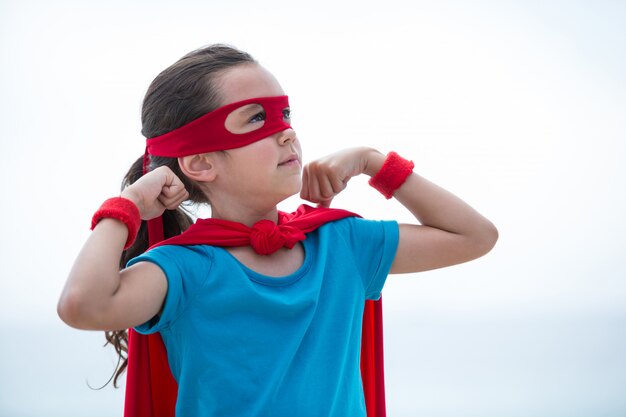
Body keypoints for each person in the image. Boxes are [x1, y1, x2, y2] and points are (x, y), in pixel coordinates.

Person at [57, 44, 498, 416]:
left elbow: (475, 237)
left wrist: (373, 161)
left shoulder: (341, 243)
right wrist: (131, 203)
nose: (286, 133)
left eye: (285, 114)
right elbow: (82, 305)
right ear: (200, 162)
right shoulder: (182, 269)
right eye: (255, 119)